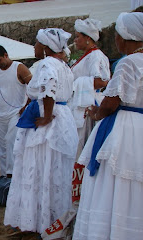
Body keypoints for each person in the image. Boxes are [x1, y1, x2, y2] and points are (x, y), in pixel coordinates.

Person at [73, 12, 143, 240]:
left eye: (117, 36)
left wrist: (96, 112)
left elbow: (112, 101)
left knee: (113, 180)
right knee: (134, 180)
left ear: (125, 37)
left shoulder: (128, 63)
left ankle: (111, 230)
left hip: (124, 126)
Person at [4, 28, 78, 233]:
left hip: (49, 119)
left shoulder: (47, 64)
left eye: (36, 43)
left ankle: (37, 220)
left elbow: (48, 87)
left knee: (38, 167)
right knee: (54, 169)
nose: (34, 47)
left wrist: (46, 115)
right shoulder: (64, 65)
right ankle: (53, 216)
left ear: (45, 48)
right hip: (63, 116)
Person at [69, 18, 110, 160]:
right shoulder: (86, 56)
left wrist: (76, 83)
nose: (75, 40)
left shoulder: (96, 56)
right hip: (78, 105)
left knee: (82, 145)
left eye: (77, 36)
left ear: (87, 38)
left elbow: (102, 81)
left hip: (87, 106)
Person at [0, 45, 32, 178]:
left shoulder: (19, 68)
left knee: (11, 141)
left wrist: (26, 106)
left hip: (16, 112)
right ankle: (3, 174)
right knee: (1, 145)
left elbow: (33, 86)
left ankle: (12, 173)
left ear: (6, 55)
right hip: (0, 113)